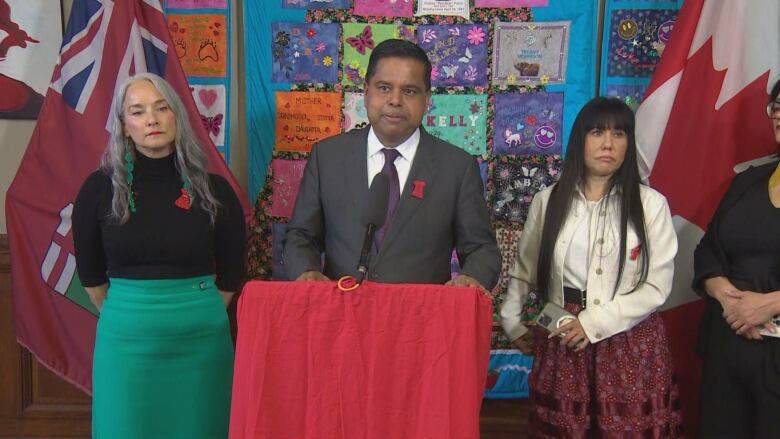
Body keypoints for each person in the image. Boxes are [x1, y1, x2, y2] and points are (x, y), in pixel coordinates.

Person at [72, 72, 246, 438]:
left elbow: (231, 275)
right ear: (123, 126)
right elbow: (91, 278)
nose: (151, 119)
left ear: (176, 116)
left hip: (201, 346)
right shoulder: (98, 189)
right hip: (125, 346)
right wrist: (136, 312)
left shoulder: (215, 191)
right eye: (137, 111)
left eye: (161, 108)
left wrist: (192, 309)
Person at [500, 97, 683, 437]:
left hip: (629, 337)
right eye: (597, 132)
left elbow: (657, 285)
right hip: (564, 333)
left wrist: (594, 322)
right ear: (579, 139)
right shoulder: (549, 200)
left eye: (619, 133)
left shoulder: (651, 205)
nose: (608, 144)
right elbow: (525, 269)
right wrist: (511, 321)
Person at [284, 39, 500, 290]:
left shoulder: (457, 167)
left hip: (421, 320)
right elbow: (301, 236)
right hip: (342, 317)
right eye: (384, 88)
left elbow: (482, 249)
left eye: (409, 91)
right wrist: (306, 270)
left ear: (427, 99)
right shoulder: (327, 157)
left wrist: (472, 277)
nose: (395, 100)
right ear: (366, 93)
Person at [693, 78, 780, 438]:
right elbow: (708, 251)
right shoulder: (748, 182)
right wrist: (729, 299)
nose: (779, 116)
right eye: (777, 107)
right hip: (728, 345)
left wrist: (770, 304)